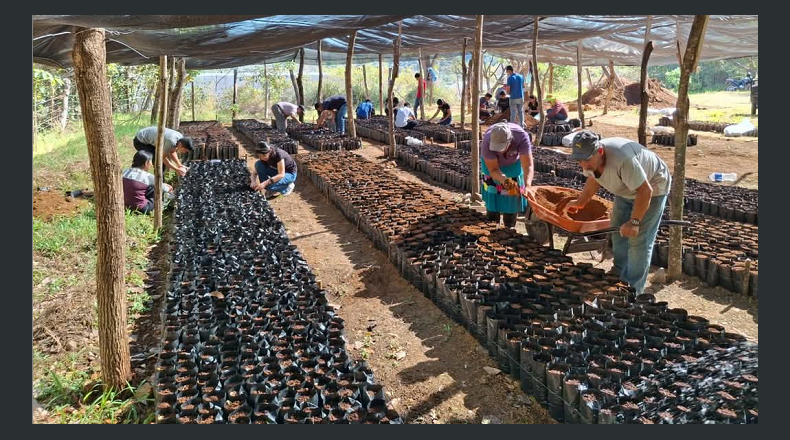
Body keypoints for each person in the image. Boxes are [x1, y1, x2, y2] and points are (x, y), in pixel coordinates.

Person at [565, 131, 671, 294]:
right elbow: (594, 177)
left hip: (653, 185)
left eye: (586, 160)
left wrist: (635, 221)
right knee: (617, 230)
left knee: (638, 239)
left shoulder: (622, 159)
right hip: (627, 188)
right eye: (580, 161)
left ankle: (633, 288)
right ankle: (620, 271)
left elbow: (644, 191)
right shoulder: (589, 158)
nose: (584, 165)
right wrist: (581, 201)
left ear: (599, 152)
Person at [480, 122, 535, 228]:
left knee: (512, 199)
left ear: (509, 141)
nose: (499, 151)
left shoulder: (521, 136)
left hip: (513, 164)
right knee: (493, 198)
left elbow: (527, 165)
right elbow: (493, 169)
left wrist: (528, 185)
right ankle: (492, 224)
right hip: (492, 167)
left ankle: (509, 226)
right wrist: (504, 180)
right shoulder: (487, 140)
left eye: (501, 147)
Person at [122, 150, 173, 214]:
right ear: (146, 163)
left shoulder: (124, 171)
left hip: (124, 204)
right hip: (141, 209)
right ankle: (164, 207)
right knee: (158, 189)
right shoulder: (148, 176)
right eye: (151, 162)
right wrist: (168, 187)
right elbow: (166, 189)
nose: (152, 164)